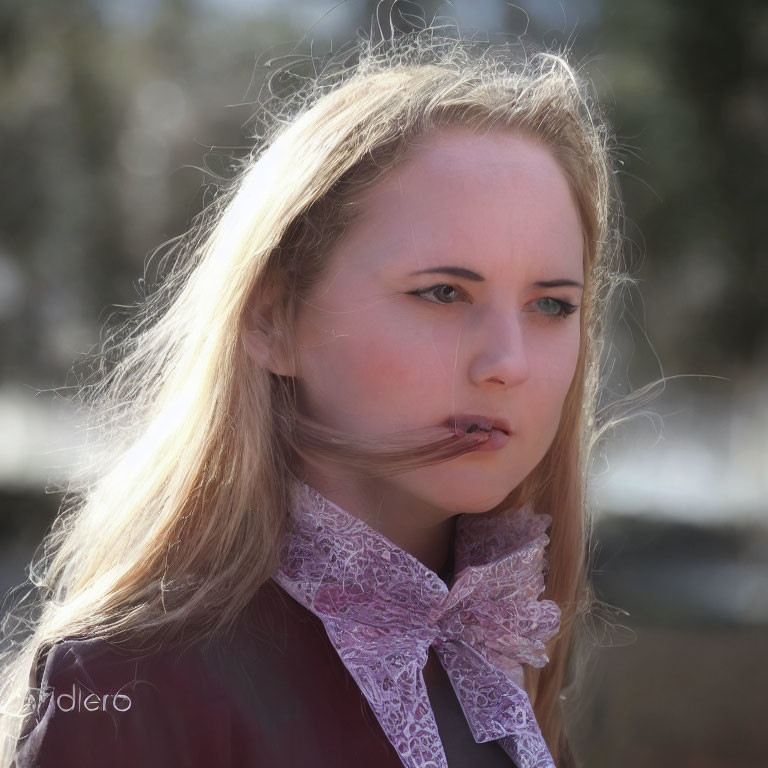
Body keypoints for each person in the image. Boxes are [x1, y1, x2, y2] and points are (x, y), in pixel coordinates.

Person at [0, 27, 626, 768]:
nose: (507, 362)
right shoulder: (132, 682)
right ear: (273, 319)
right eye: (443, 293)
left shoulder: (500, 665)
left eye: (551, 305)